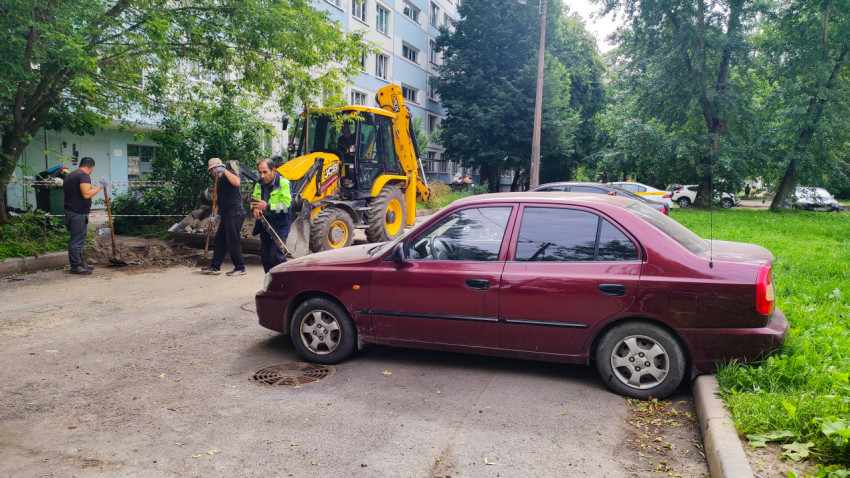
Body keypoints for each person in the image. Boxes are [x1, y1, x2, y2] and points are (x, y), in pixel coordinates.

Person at [201, 157, 247, 276]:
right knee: (220, 240)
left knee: (232, 241)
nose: (212, 173)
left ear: (216, 168)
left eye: (212, 170)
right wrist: (215, 214)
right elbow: (220, 200)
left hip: (235, 213)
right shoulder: (218, 181)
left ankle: (240, 267)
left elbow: (237, 182)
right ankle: (215, 267)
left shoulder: (229, 174)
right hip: (227, 214)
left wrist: (225, 170)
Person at [62, 157, 107, 275]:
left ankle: (80, 263)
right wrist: (100, 186)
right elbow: (86, 194)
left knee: (79, 239)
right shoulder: (83, 176)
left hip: (71, 210)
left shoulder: (70, 176)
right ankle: (76, 266)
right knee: (77, 240)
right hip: (78, 212)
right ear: (91, 167)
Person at [251, 159, 292, 273]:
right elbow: (254, 201)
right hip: (265, 225)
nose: (262, 175)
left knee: (276, 257)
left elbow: (286, 206)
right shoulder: (259, 184)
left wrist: (267, 206)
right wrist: (254, 209)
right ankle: (270, 284)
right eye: (260, 172)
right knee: (265, 258)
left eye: (265, 172)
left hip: (280, 226)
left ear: (273, 170)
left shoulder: (284, 183)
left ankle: (286, 282)